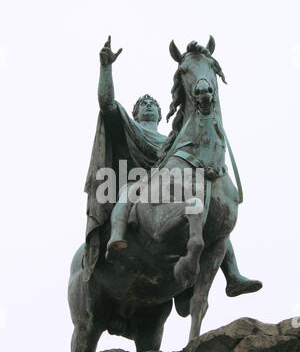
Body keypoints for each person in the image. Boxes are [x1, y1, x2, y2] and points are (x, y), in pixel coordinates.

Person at [84, 36, 262, 297]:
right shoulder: (131, 128)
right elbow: (107, 104)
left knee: (212, 210)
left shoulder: (175, 137)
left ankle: (232, 275)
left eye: (152, 105)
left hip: (179, 184)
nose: (148, 106)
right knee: (127, 193)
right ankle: (116, 236)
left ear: (159, 113)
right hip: (144, 181)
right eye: (143, 105)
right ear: (135, 113)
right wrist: (106, 68)